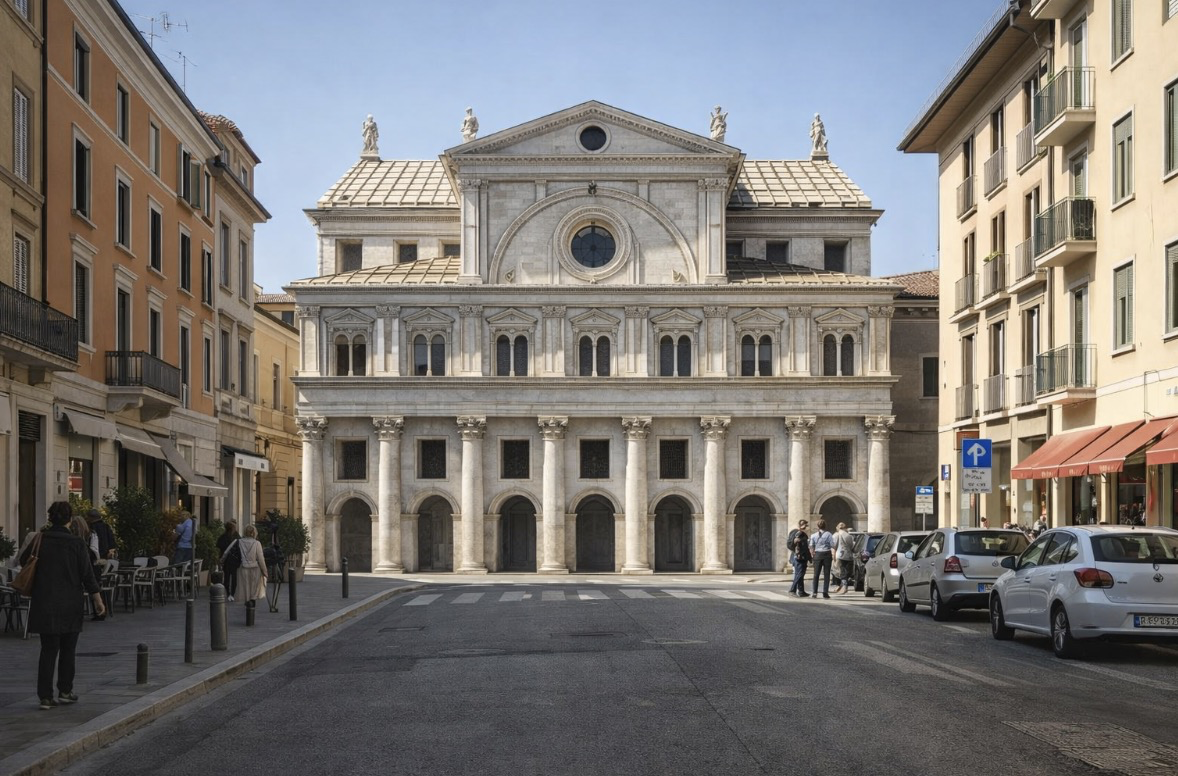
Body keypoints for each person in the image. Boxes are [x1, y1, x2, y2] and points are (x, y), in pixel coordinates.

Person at [19, 501, 104, 709]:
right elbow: (87, 574)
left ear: (50, 517)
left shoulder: (40, 540)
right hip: (70, 603)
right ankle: (65, 691)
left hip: (44, 601)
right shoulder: (76, 543)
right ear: (70, 519)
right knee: (68, 649)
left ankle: (45, 697)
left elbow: (23, 561)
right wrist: (97, 598)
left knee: (48, 650)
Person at [235, 524, 268, 611]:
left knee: (245, 586)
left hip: (243, 567)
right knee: (254, 587)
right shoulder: (257, 543)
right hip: (255, 568)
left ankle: (247, 602)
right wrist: (265, 571)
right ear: (254, 533)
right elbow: (261, 558)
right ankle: (252, 603)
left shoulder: (240, 542)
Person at [809, 519, 834, 599]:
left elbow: (811, 546)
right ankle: (825, 592)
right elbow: (832, 544)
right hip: (827, 554)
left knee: (816, 574)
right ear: (825, 526)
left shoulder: (813, 535)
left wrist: (813, 554)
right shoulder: (829, 534)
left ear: (818, 526)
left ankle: (814, 592)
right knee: (826, 574)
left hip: (817, 554)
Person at [217, 521, 241, 602]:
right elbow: (240, 549)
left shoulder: (222, 537)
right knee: (234, 578)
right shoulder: (237, 537)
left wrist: (219, 560)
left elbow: (219, 549)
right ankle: (232, 594)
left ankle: (228, 593)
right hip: (235, 560)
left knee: (226, 578)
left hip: (226, 560)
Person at [787, 519, 811, 598]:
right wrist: (794, 542)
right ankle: (792, 590)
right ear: (802, 525)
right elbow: (790, 544)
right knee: (799, 574)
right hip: (799, 557)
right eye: (805, 525)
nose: (806, 527)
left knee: (800, 574)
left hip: (799, 556)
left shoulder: (799, 533)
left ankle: (801, 591)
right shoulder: (797, 533)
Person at [831, 523, 855, 594]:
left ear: (837, 528)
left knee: (841, 572)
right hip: (849, 555)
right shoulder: (848, 535)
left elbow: (833, 546)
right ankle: (841, 586)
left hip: (839, 555)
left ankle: (844, 587)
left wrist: (833, 556)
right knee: (846, 572)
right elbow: (851, 546)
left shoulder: (836, 535)